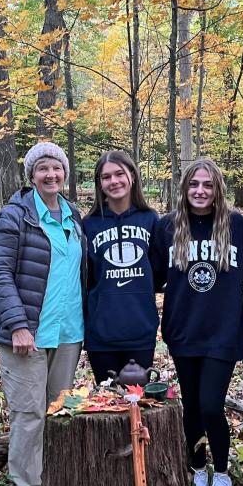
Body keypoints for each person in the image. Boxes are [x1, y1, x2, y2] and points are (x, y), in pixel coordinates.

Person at [154, 159, 243, 486]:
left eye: (207, 185)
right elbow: (152, 278)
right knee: (192, 407)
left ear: (218, 189)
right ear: (184, 188)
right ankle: (198, 470)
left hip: (222, 334)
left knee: (212, 405)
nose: (200, 191)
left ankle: (222, 472)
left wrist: (239, 319)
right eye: (194, 184)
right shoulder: (167, 226)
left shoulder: (236, 225)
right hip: (183, 331)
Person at [0, 142, 85, 486]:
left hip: (68, 332)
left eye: (57, 168)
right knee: (29, 414)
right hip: (27, 333)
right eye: (43, 168)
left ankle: (54, 482)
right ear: (31, 175)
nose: (51, 174)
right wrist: (17, 325)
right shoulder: (15, 215)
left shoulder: (73, 216)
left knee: (58, 411)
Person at [83, 151, 161, 384]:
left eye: (119, 174)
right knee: (107, 405)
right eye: (106, 177)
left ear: (132, 176)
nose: (114, 181)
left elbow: (156, 272)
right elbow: (87, 277)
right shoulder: (89, 224)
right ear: (99, 183)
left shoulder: (150, 219)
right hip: (102, 333)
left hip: (140, 330)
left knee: (139, 408)